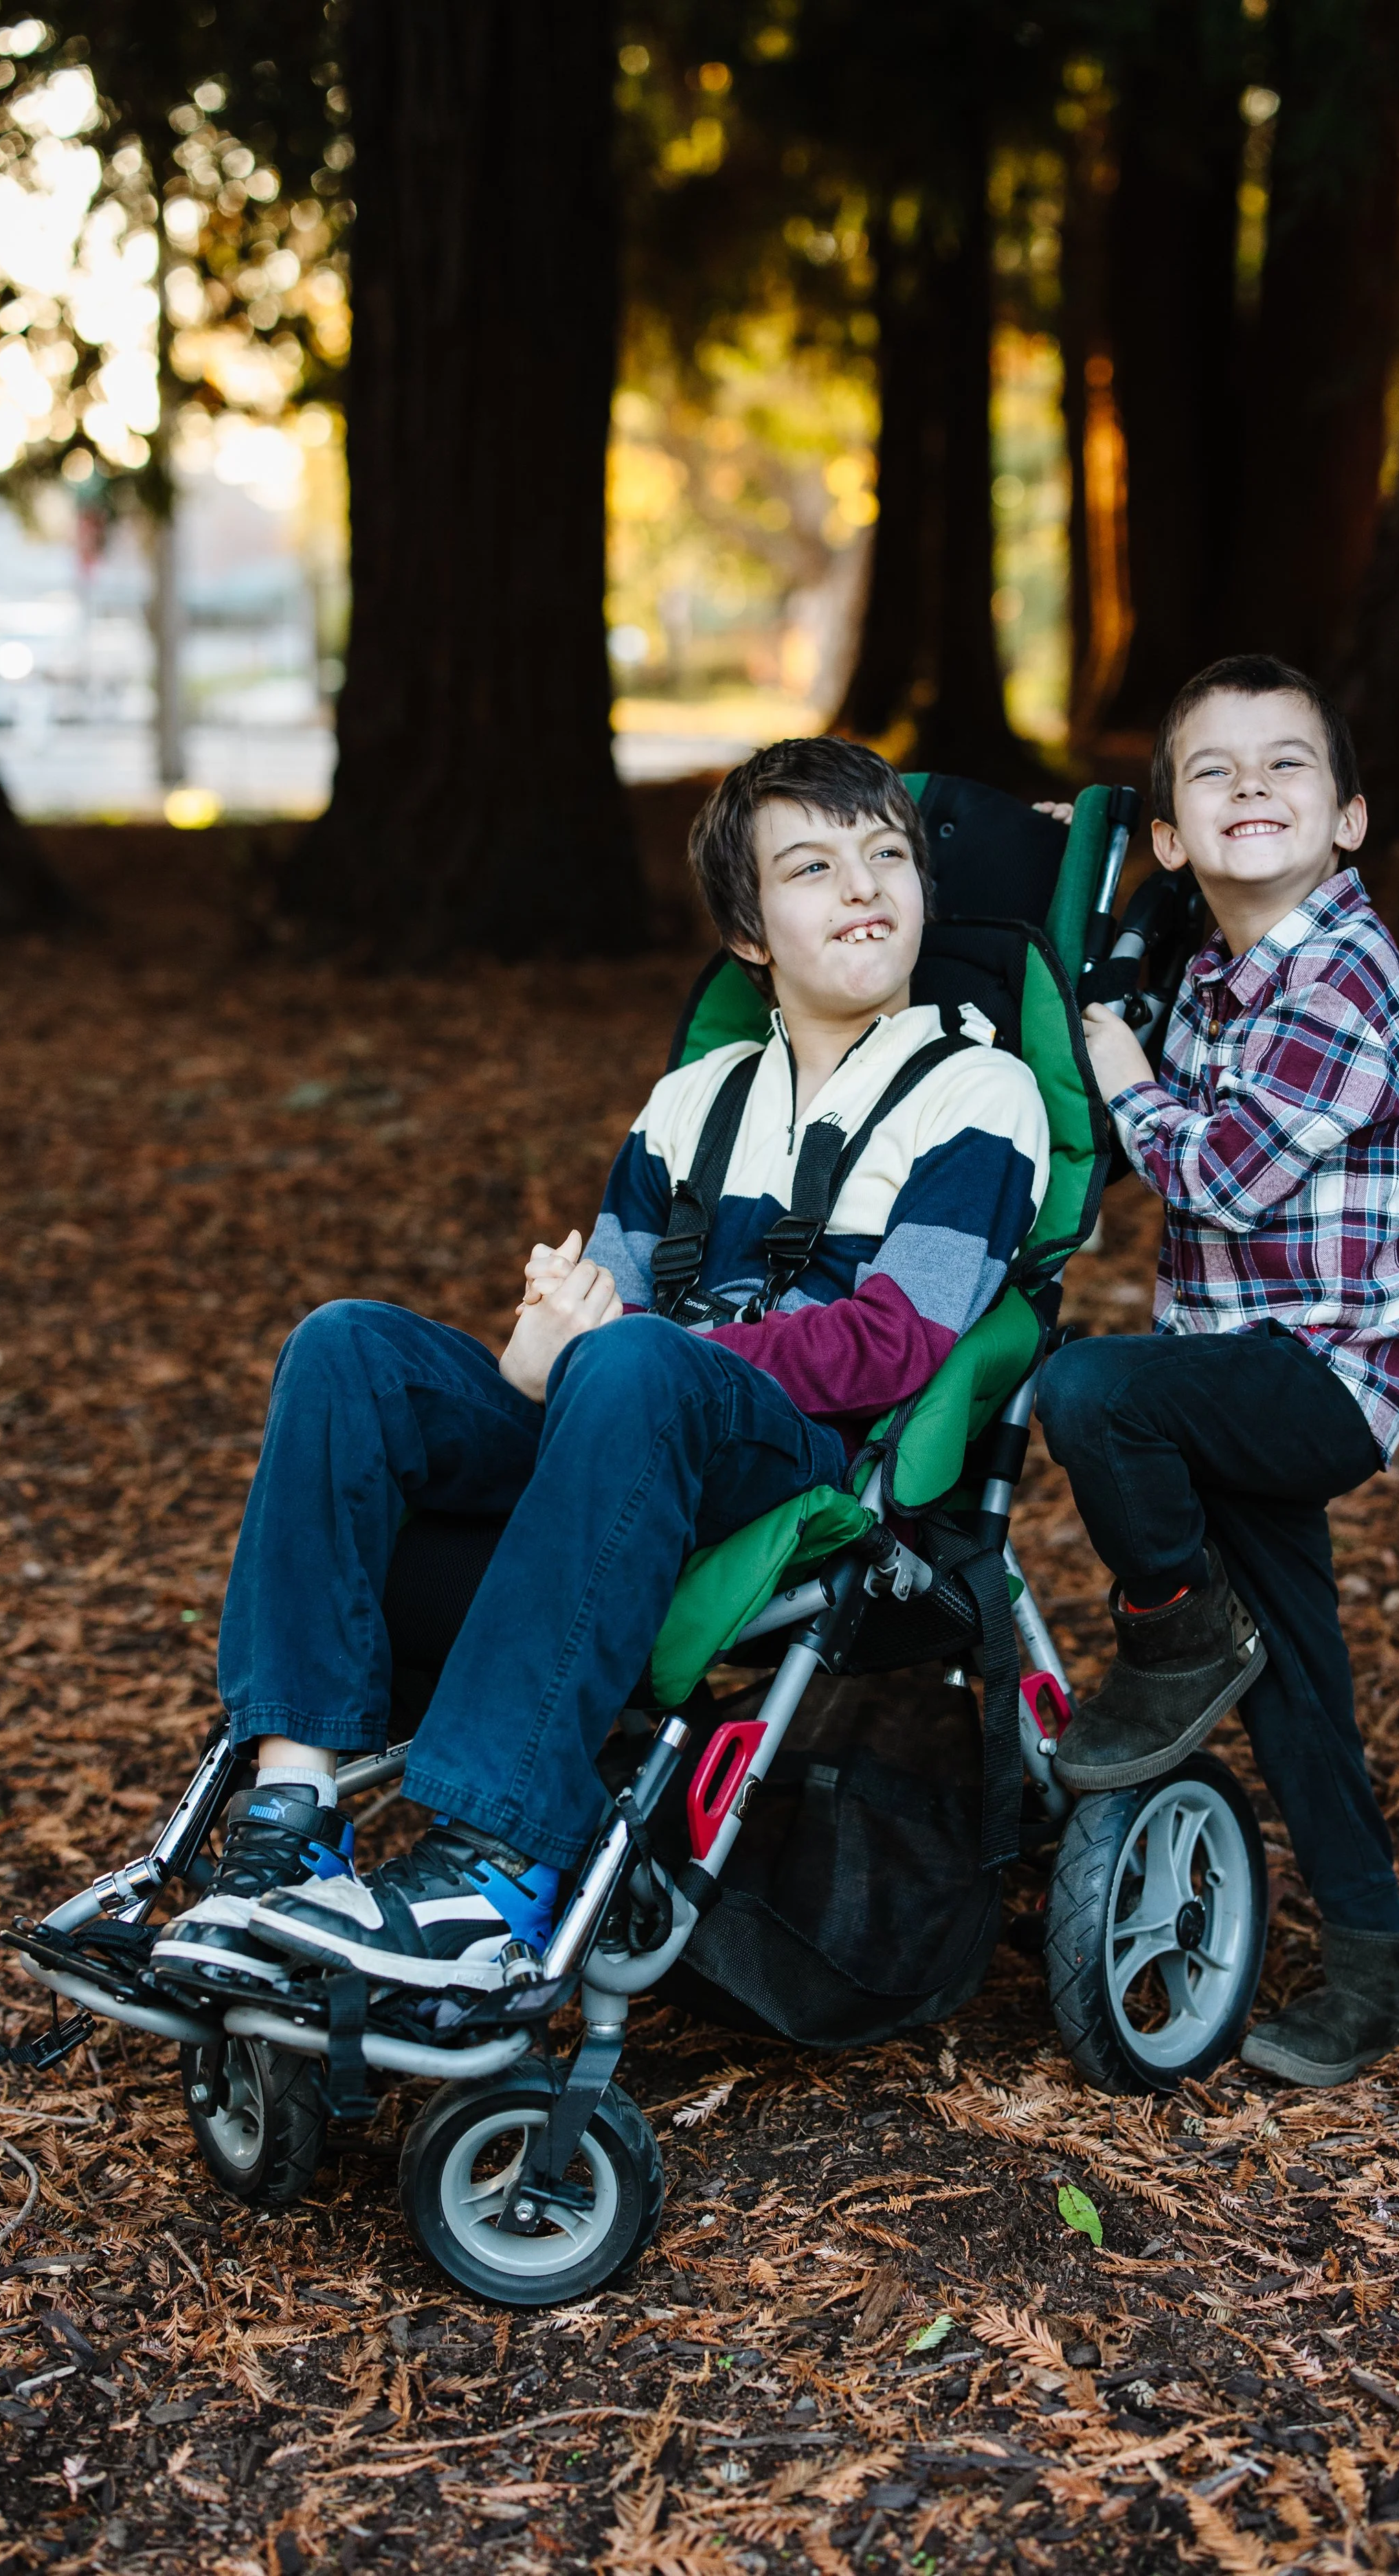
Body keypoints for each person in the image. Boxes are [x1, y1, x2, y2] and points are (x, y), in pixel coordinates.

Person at [153, 738, 1046, 2000]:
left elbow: (894, 1343)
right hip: (621, 1409)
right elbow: (603, 1318)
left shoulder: (979, 1089)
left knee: (634, 1361)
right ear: (748, 931)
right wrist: (538, 1349)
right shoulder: (690, 1101)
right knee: (346, 1343)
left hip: (785, 1447)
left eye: (886, 855)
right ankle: (290, 1814)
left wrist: (646, 1347)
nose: (863, 886)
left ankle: (500, 1853)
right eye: (812, 866)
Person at [1036, 653, 1399, 2088]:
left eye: (1286, 765)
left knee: (1086, 1391)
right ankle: (1371, 1952)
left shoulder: (1340, 968)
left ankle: (1172, 1624)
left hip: (1325, 1377)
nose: (1249, 787)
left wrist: (1117, 1064)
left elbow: (1222, 1176)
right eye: (1209, 773)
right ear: (1169, 836)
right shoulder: (1204, 965)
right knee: (1299, 1684)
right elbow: (1115, 928)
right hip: (1236, 1368)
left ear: (1344, 819)